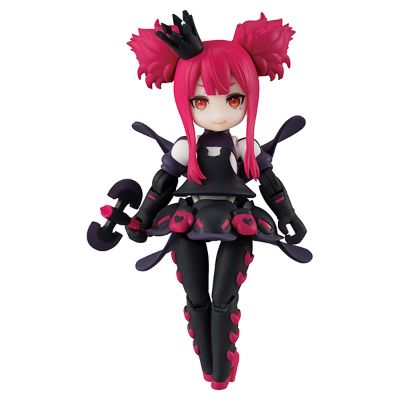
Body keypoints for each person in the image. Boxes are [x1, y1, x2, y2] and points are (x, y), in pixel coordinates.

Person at [126, 10, 311, 390]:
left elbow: (272, 186)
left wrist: (288, 215)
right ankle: (209, 367)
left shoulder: (244, 148)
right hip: (188, 218)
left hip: (238, 218)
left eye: (233, 99)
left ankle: (221, 373)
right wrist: (142, 217)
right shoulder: (184, 149)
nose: (218, 112)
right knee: (196, 299)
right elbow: (161, 187)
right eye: (200, 102)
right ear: (186, 102)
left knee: (224, 299)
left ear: (248, 98)